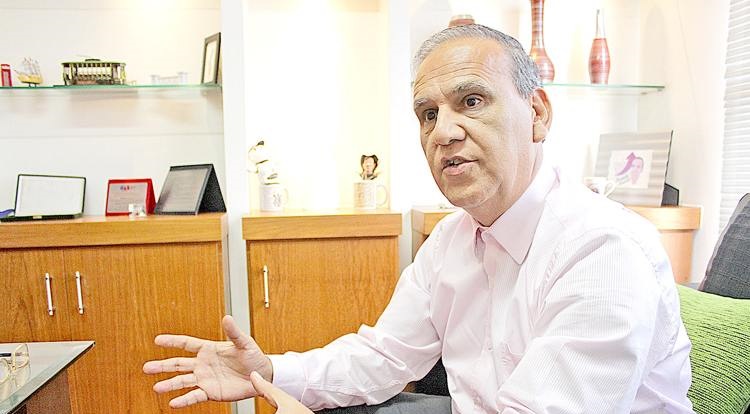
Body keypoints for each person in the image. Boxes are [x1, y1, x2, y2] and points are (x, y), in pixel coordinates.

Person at [144, 24, 693, 413]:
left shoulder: (603, 249)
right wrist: (271, 371)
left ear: (537, 113)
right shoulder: (451, 240)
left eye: (471, 101)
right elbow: (383, 356)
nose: (443, 133)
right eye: (428, 114)